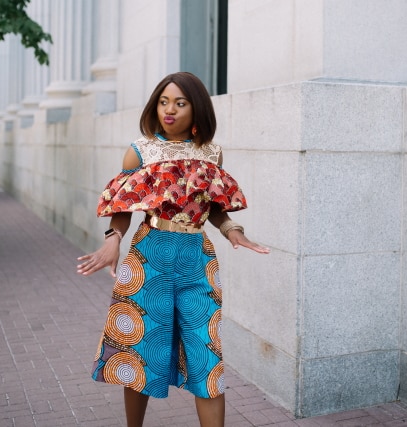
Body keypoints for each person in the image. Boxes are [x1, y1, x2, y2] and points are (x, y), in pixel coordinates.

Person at [77, 72, 270, 427]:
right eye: (164, 102)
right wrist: (112, 240)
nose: (169, 110)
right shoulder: (140, 151)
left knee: (206, 356)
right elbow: (122, 206)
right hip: (149, 257)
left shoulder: (211, 153)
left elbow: (212, 206)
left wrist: (233, 230)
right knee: (139, 352)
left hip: (197, 260)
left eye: (180, 103)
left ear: (196, 109)